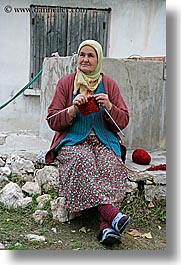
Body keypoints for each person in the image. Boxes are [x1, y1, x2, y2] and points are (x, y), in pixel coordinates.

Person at [45, 40, 131, 245]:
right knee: (82, 161)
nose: (85, 59)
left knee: (111, 165)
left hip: (104, 141)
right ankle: (112, 215)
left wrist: (109, 106)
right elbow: (52, 120)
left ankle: (105, 228)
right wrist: (72, 109)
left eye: (91, 56)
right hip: (73, 142)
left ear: (98, 59)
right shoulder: (67, 83)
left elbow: (124, 120)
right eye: (82, 54)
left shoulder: (109, 84)